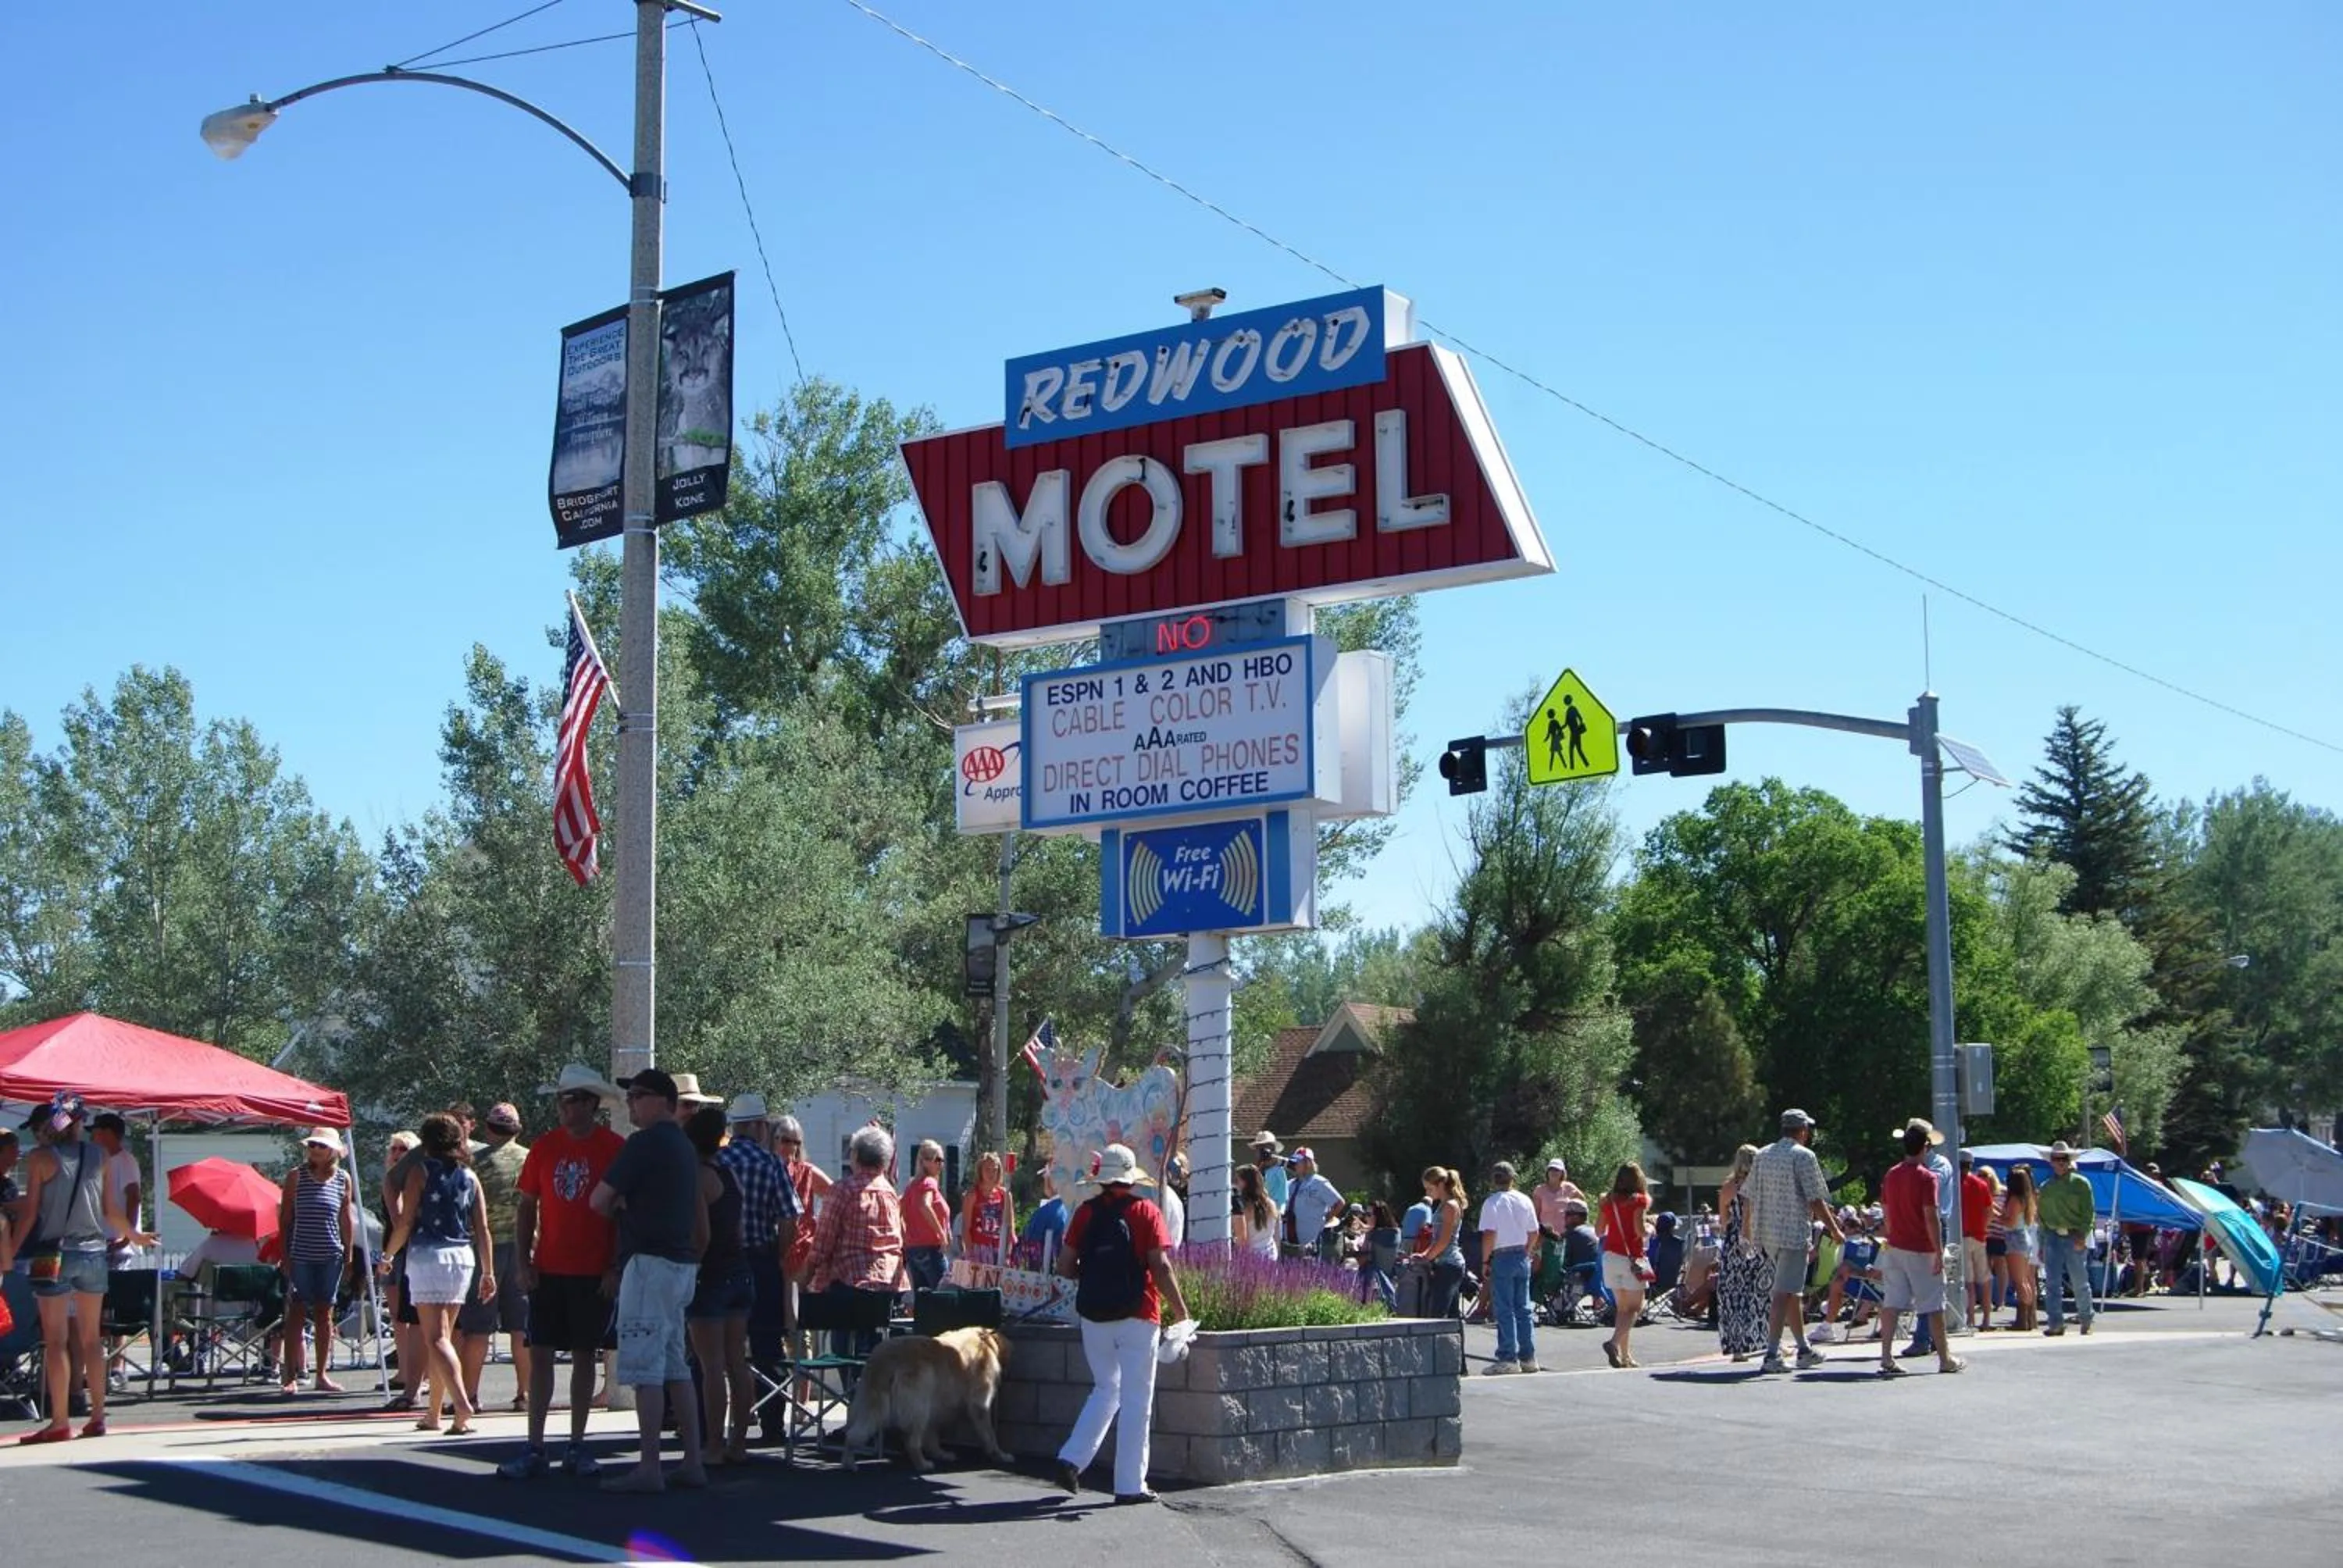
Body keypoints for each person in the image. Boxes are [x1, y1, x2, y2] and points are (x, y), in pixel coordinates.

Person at [501, 1063, 626, 1481]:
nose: (563, 1107)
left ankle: (577, 1443)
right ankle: (535, 1445)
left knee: (585, 1355)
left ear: (591, 1104)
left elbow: (624, 1213)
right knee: (540, 1355)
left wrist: (614, 1266)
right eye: (561, 1099)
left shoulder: (612, 1147)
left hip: (594, 1270)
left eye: (570, 1099)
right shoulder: (544, 1147)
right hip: (549, 1267)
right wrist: (523, 1261)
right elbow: (526, 1206)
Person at [7, 1094, 153, 1443]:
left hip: (53, 1252)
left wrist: (8, 1254)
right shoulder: (98, 1155)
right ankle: (98, 1416)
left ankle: (60, 1421)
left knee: (56, 1341)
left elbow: (29, 1214)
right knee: (91, 1340)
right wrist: (135, 1235)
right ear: (81, 1122)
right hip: (92, 1251)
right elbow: (110, 1211)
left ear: (52, 1122)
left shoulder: (41, 1158)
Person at [1051, 1142, 1191, 1505]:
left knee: (1105, 1388)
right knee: (1135, 1400)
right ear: (1130, 1178)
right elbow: (1160, 1266)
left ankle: (1072, 1457)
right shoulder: (1146, 1211)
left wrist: (1095, 1275)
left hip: (1094, 1316)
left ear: (1101, 1178)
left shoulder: (1084, 1214)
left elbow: (1064, 1267)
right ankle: (1129, 1485)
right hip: (1139, 1314)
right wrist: (1181, 1311)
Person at [592, 1068, 711, 1494]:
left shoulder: (643, 1144)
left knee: (645, 1369)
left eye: (638, 1095)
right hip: (682, 1265)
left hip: (648, 1264)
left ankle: (648, 1467)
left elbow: (599, 1200)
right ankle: (692, 1461)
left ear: (662, 1100)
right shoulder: (683, 1145)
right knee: (677, 1365)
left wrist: (625, 1201)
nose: (631, 1103)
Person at [382, 1112, 495, 1434]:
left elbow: (405, 1221)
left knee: (435, 1337)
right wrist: (488, 1272)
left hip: (428, 1254)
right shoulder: (470, 1177)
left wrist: (388, 1255)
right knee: (444, 1337)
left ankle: (461, 1402)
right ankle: (434, 1414)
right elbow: (482, 1228)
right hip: (463, 1257)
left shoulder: (420, 1172)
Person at [715, 1090, 796, 1433]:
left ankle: (718, 1422)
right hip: (760, 1260)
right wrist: (776, 1252)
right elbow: (789, 1218)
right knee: (767, 1343)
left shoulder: (717, 1163)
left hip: (720, 1262)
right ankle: (772, 1419)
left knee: (717, 1346)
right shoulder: (772, 1163)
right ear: (761, 1128)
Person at [683, 1106, 754, 1466]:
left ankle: (713, 1444)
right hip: (739, 1270)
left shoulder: (698, 1176)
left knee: (711, 1365)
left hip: (710, 1275)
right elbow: (737, 1228)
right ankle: (738, 1443)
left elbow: (701, 1233)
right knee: (736, 1362)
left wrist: (691, 1266)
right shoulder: (730, 1175)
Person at [1749, 1109, 1842, 1374]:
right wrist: (1835, 1230)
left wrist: (1751, 1230)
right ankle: (1771, 1353)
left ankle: (1803, 1348)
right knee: (1783, 1293)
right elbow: (1815, 1198)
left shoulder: (1763, 1154)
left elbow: (1751, 1195)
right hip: (1792, 1232)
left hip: (1767, 1232)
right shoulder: (1803, 1156)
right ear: (1802, 1130)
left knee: (1792, 1291)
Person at [802, 1124, 905, 1360]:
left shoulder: (843, 1190)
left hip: (850, 1287)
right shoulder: (891, 1194)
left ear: (855, 1156)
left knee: (844, 1350)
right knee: (871, 1351)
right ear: (885, 1161)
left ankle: (854, 1391)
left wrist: (802, 1284)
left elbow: (822, 1245)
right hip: (887, 1291)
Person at [1875, 1122, 1966, 1377]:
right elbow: (1931, 1217)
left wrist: (1893, 1235)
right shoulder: (1928, 1178)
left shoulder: (1891, 1174)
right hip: (1921, 1248)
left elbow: (1887, 1212)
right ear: (1926, 1146)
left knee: (1892, 1302)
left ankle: (1886, 1357)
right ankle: (1945, 1358)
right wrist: (1938, 1251)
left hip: (1896, 1246)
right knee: (1934, 1304)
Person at [276, 1128, 358, 1395]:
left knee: (325, 1313)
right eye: (312, 1145)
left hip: (331, 1254)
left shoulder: (343, 1178)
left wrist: (348, 1254)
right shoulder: (296, 1177)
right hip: (301, 1253)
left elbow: (345, 1217)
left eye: (320, 1146)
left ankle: (322, 1374)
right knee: (296, 1312)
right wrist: (285, 1254)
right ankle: (290, 1375)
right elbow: (286, 1219)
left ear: (333, 1150)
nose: (314, 1149)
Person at [465, 1102, 532, 1411]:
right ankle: (525, 1394)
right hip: (524, 1248)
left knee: (478, 1328)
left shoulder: (474, 1162)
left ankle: (471, 1396)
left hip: (484, 1249)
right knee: (521, 1328)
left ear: (489, 1129)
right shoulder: (530, 1158)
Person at [90, 1112, 143, 1392]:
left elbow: (134, 1196)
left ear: (109, 1132)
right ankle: (99, 1365)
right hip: (100, 1241)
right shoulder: (100, 1161)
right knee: (97, 1309)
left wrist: (128, 1234)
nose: (92, 1136)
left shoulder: (125, 1161)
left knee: (113, 1309)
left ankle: (117, 1367)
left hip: (116, 1243)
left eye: (96, 1131)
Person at [1896, 1121, 1956, 1360]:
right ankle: (1928, 1339)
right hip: (1920, 1223)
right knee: (1923, 1283)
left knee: (1928, 1284)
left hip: (1932, 1223)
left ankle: (1923, 1338)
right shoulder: (1917, 1168)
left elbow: (1929, 1199)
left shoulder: (1938, 1166)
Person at [1476, 1160, 1540, 1374]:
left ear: (1494, 1180)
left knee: (1504, 1308)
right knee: (1523, 1308)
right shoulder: (1524, 1200)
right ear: (1513, 1178)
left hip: (1502, 1255)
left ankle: (1508, 1357)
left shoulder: (1492, 1202)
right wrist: (1527, 1251)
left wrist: (1486, 1261)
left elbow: (1489, 1234)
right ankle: (1528, 1356)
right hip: (1521, 1254)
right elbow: (1534, 1231)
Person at [377, 1131, 425, 1411]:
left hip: (409, 1250)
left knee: (416, 1317)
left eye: (403, 1149)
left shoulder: (414, 1180)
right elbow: (394, 1220)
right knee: (398, 1317)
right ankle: (405, 1370)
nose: (396, 1153)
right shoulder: (391, 1180)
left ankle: (418, 1374)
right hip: (392, 1247)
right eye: (394, 1148)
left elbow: (402, 1221)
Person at [2038, 1142, 2096, 1337]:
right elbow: (2042, 1218)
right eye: (2056, 1159)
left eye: (2063, 1159)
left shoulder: (2081, 1183)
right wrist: (2041, 1242)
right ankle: (2056, 1323)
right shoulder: (2046, 1187)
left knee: (2079, 1280)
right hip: (2052, 1236)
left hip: (2074, 1235)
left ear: (2069, 1161)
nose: (2060, 1163)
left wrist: (2083, 1234)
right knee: (2052, 1283)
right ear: (2051, 1162)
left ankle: (2086, 1319)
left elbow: (2089, 1212)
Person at [1599, 1162, 1652, 1369]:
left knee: (1623, 1309)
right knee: (1636, 1307)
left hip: (1610, 1257)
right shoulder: (1640, 1200)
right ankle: (1613, 1343)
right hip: (1632, 1258)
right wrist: (1648, 1230)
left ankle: (1625, 1356)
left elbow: (1598, 1230)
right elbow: (1639, 1230)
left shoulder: (1607, 1201)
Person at [1413, 1167, 1467, 1320]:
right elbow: (1437, 1240)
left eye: (1430, 1188)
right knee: (1450, 1314)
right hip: (1445, 1263)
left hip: (1450, 1264)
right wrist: (1425, 1254)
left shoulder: (1450, 1206)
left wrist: (1427, 1257)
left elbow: (1444, 1241)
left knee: (1438, 1313)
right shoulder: (1444, 1205)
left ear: (1441, 1185)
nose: (1427, 1193)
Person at [901, 1139, 952, 1294]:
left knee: (923, 1299)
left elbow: (900, 1212)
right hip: (931, 1248)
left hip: (913, 1250)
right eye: (937, 1160)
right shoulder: (929, 1182)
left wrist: (906, 1239)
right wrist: (941, 1234)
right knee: (943, 1293)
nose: (941, 1164)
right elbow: (925, 1205)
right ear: (924, 1162)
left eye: (942, 1160)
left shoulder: (911, 1186)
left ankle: (924, 1319)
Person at [1999, 1164, 2041, 1331]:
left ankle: (2023, 1319)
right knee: (2024, 1280)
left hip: (2015, 1237)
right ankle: (2029, 1317)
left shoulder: (2015, 1199)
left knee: (2019, 1281)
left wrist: (1996, 1216)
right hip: (2021, 1237)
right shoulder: (2025, 1198)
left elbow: (2009, 1221)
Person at [959, 1150, 1015, 1267]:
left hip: (999, 1249)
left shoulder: (1005, 1195)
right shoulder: (972, 1195)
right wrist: (970, 1254)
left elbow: (1010, 1226)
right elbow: (966, 1228)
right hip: (978, 1249)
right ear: (980, 1171)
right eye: (987, 1170)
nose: (991, 1174)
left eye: (994, 1170)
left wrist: (1008, 1254)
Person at [1286, 1148, 1343, 1263]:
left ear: (1308, 1163)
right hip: (1291, 1240)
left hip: (1312, 1240)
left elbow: (1339, 1203)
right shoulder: (1290, 1184)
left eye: (1298, 1162)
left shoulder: (1319, 1183)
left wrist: (1326, 1219)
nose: (1295, 1164)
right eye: (1294, 1161)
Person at [1960, 1157, 1998, 1329]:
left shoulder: (1954, 1184)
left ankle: (1970, 1319)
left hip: (1962, 1236)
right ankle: (1987, 1319)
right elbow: (1990, 1212)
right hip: (1979, 1237)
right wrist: (1982, 1227)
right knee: (1985, 1278)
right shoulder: (1981, 1185)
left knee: (1968, 1281)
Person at [1019, 1166, 1070, 1269]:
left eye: (1046, 1179)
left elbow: (1029, 1242)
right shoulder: (1068, 1210)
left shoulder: (1044, 1212)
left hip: (1044, 1271)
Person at [1395, 1185, 1434, 1317]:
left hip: (1405, 1239)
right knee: (1415, 1267)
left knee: (1405, 1266)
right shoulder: (1427, 1209)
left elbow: (1404, 1222)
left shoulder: (1411, 1208)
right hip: (1416, 1240)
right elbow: (1426, 1226)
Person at [1250, 1132, 1290, 1213]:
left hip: (1273, 1214)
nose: (1263, 1152)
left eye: (1266, 1148)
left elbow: (1281, 1199)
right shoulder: (1254, 1171)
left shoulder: (1278, 1171)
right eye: (1259, 1148)